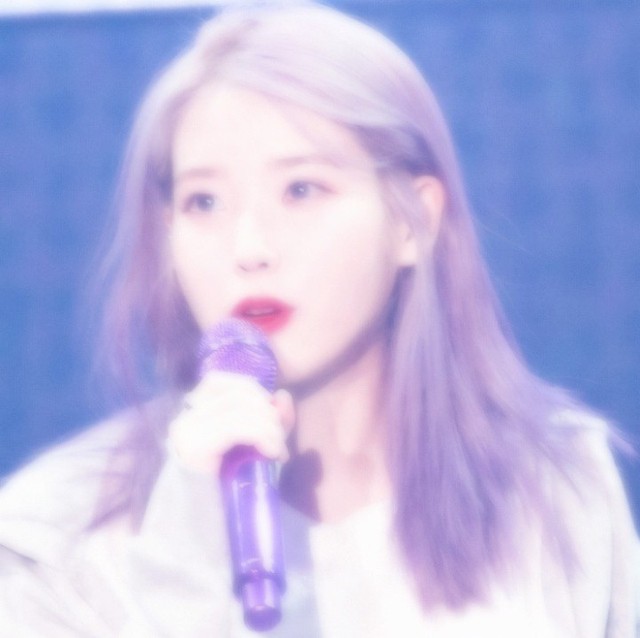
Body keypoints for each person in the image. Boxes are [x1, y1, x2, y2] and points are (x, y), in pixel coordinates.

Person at [0, 2, 636, 636]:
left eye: (301, 190)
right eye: (205, 201)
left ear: (413, 220)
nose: (248, 247)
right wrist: (191, 538)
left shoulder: (556, 492)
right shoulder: (53, 542)